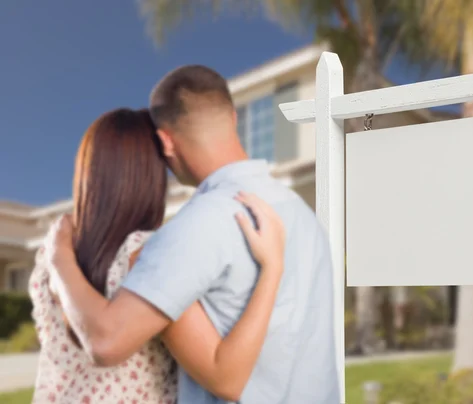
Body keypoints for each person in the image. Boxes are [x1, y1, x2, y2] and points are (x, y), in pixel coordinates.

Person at [46, 65, 340, 403]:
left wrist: (58, 258)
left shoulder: (196, 226)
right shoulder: (301, 215)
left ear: (165, 142)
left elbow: (107, 342)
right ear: (232, 117)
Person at [30, 108, 286, 403]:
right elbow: (225, 378)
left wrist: (59, 257)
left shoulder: (53, 255)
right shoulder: (146, 256)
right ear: (152, 176)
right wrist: (272, 267)